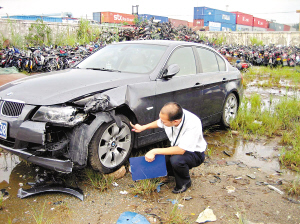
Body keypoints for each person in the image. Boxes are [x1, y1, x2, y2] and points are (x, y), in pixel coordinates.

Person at [130, 102, 207, 194]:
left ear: (175, 122)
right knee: (160, 158)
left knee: (176, 160)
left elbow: (181, 150)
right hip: (176, 147)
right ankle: (168, 174)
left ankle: (184, 182)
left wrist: (154, 151)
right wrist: (143, 127)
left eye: (164, 121)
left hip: (194, 153)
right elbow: (159, 122)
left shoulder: (193, 123)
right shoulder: (173, 115)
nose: (161, 122)